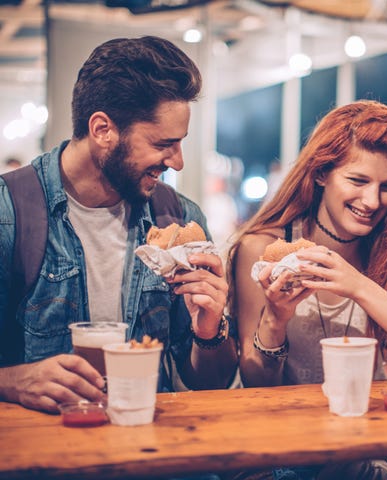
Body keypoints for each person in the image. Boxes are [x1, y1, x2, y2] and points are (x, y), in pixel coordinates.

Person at [226, 100, 387, 479]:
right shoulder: (262, 250)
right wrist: (275, 319)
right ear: (321, 173)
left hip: (375, 444)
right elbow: (257, 384)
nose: (372, 202)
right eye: (358, 181)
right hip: (289, 449)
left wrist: (362, 288)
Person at [0, 36, 238, 414]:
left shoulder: (180, 218)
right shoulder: (9, 214)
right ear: (102, 130)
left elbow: (208, 384)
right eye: (164, 144)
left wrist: (209, 331)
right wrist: (13, 381)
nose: (177, 162)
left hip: (151, 452)